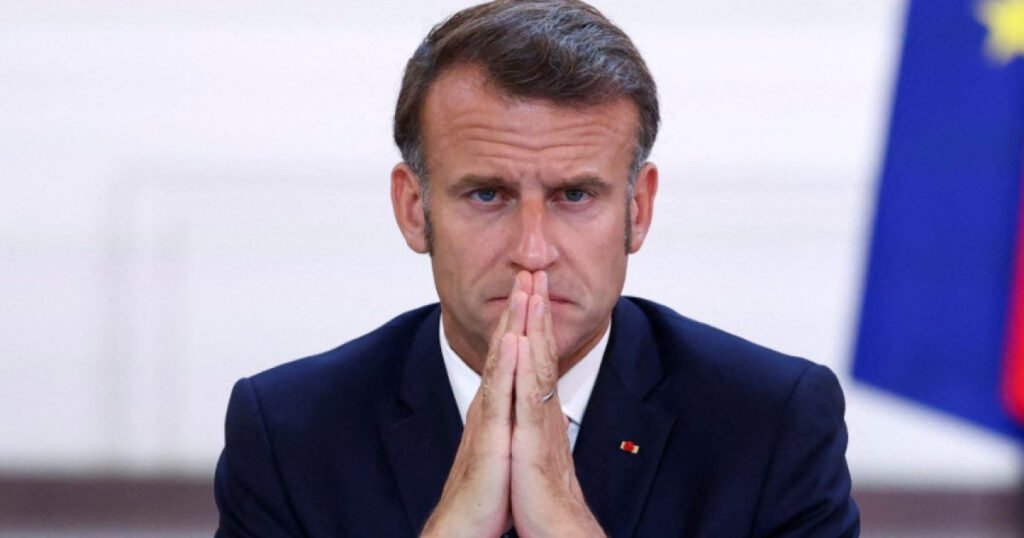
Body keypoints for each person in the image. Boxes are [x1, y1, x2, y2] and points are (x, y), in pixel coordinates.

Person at [213, 1, 860, 536]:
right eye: (486, 195)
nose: (532, 249)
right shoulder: (288, 435)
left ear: (637, 209)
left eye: (574, 195)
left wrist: (565, 518)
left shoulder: (771, 424)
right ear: (414, 209)